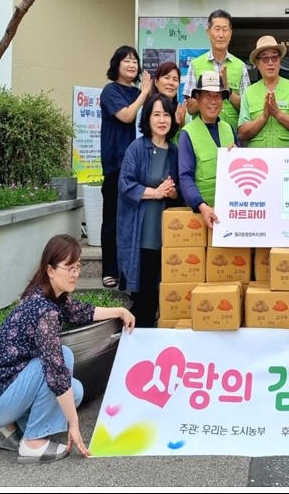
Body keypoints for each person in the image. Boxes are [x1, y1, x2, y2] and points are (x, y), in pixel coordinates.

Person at [0, 234, 135, 463]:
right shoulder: (44, 310)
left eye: (78, 267)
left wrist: (120, 311)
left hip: (0, 391)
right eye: (69, 267)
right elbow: (55, 371)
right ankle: (32, 443)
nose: (75, 273)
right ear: (50, 269)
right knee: (61, 359)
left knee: (75, 392)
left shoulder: (47, 294)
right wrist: (74, 424)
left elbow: (81, 312)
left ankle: (14, 431)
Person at [117, 93, 183, 329]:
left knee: (160, 289)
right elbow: (125, 184)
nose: (162, 120)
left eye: (166, 114)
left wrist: (172, 192)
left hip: (166, 234)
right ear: (147, 118)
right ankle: (137, 338)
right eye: (156, 114)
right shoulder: (137, 147)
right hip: (141, 231)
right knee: (142, 291)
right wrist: (155, 192)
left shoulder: (175, 151)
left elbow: (181, 187)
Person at [100, 45, 153, 289]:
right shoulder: (110, 91)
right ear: (116, 65)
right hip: (116, 164)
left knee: (133, 219)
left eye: (135, 61)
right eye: (126, 61)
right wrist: (144, 93)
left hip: (140, 164)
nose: (132, 65)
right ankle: (110, 270)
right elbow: (127, 116)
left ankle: (130, 269)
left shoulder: (138, 92)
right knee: (112, 218)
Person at [178, 70, 236, 230]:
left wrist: (239, 156)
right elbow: (185, 177)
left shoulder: (229, 129)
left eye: (217, 96)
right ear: (197, 98)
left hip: (231, 213)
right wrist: (201, 206)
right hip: (201, 216)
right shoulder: (187, 133)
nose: (213, 101)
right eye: (207, 95)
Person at [183, 9, 250, 131]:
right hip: (202, 133)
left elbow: (246, 108)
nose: (221, 35)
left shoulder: (241, 66)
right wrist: (210, 91)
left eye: (225, 30)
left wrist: (227, 89)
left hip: (231, 135)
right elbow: (190, 109)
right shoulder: (195, 65)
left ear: (230, 34)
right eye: (217, 29)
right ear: (208, 32)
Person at [238, 36, 289, 148]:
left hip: (287, 157)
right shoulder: (249, 92)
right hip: (258, 157)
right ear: (257, 63)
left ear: (280, 61)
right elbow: (242, 134)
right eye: (265, 58)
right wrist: (264, 117)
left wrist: (278, 114)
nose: (270, 63)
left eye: (274, 57)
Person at [151, 60, 187, 134]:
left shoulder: (181, 111)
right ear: (156, 82)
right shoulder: (147, 109)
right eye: (167, 78)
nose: (171, 83)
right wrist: (175, 124)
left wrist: (182, 125)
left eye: (175, 79)